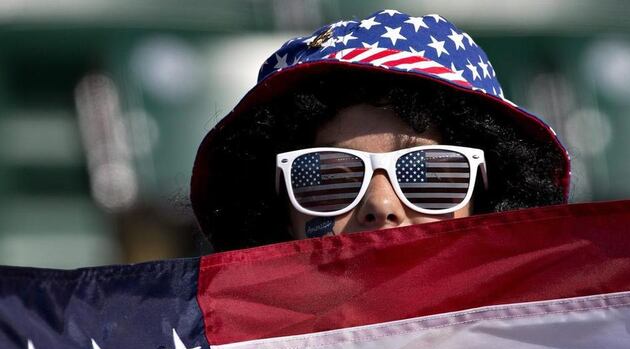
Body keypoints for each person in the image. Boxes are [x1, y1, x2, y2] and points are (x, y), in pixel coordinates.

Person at [190, 9, 571, 252]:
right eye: (328, 178)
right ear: (279, 214)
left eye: (430, 176)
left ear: (486, 202)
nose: (381, 206)